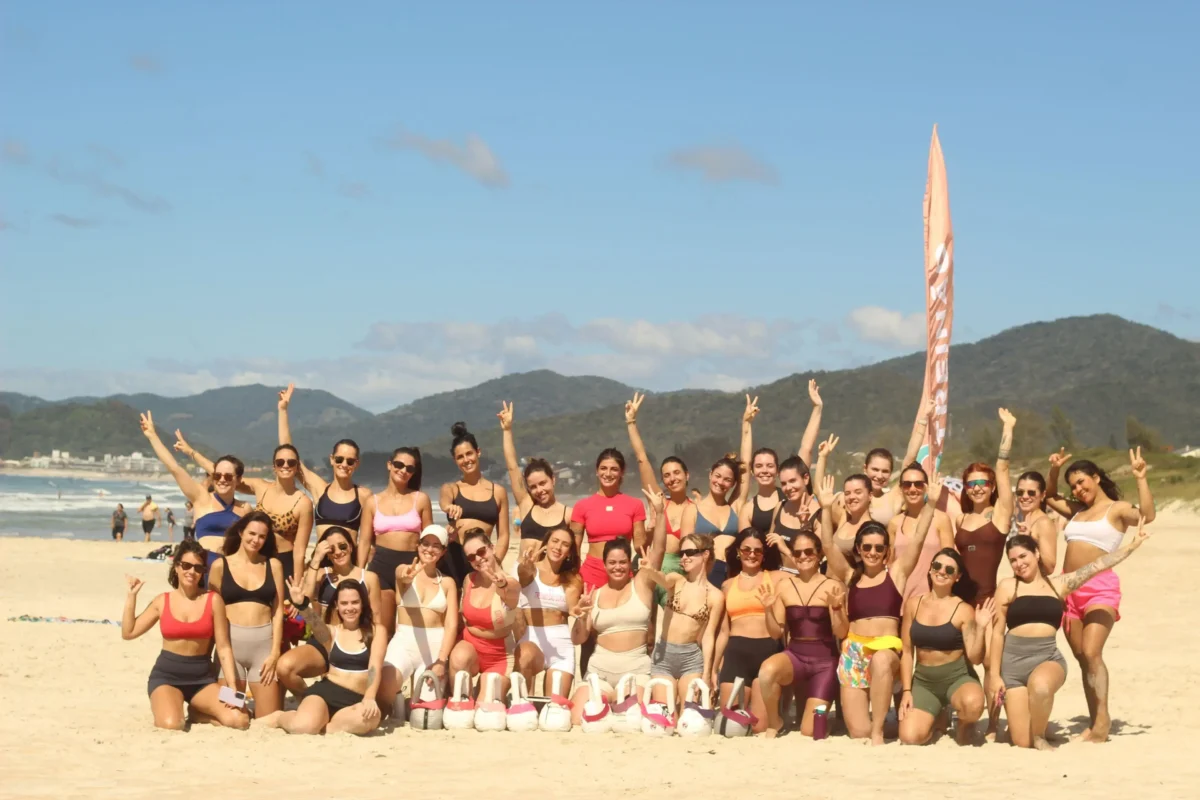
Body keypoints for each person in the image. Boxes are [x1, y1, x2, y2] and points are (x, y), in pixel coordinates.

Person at [990, 522, 1153, 749]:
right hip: (1013, 664)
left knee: (1041, 687)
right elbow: (997, 633)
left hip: (1046, 658)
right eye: (1013, 560)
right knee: (1021, 742)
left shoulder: (1060, 584)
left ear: (1037, 553)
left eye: (1023, 556)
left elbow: (1097, 566)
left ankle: (1040, 737)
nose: (1019, 563)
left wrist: (1132, 546)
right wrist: (995, 675)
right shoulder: (1007, 587)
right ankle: (1033, 727)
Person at [816, 472, 940, 745]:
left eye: (879, 548)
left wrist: (931, 503)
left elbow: (918, 539)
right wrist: (825, 508)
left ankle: (879, 733)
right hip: (854, 650)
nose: (872, 552)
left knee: (882, 660)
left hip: (887, 650)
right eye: (867, 547)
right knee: (857, 731)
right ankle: (892, 727)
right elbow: (827, 545)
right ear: (858, 550)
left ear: (886, 551)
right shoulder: (851, 577)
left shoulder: (896, 574)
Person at [1043, 447, 1156, 743]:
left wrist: (1141, 478)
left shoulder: (1116, 509)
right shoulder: (1077, 511)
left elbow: (1146, 516)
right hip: (1069, 591)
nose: (1078, 490)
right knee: (1083, 659)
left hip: (1100, 588)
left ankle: (1102, 723)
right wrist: (1054, 470)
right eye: (1073, 486)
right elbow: (1049, 497)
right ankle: (1094, 721)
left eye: (1081, 482)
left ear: (1096, 477)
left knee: (1093, 652)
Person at [121, 540, 249, 730]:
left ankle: (198, 713)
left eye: (198, 568)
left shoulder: (213, 600)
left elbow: (223, 647)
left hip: (203, 681)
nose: (191, 572)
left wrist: (232, 686)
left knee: (240, 720)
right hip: (166, 678)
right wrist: (132, 596)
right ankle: (182, 708)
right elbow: (128, 632)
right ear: (176, 567)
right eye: (186, 565)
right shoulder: (162, 601)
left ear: (203, 572)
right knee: (172, 725)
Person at [175, 432, 314, 585]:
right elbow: (226, 475)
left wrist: (297, 584)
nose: (285, 466)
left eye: (291, 462)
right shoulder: (261, 487)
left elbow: (299, 551)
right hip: (258, 560)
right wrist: (191, 452)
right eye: (280, 462)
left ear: (297, 466)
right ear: (274, 466)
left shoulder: (303, 503)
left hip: (283, 561)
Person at [263, 578, 386, 735]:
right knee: (303, 727)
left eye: (355, 602)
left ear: (362, 604)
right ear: (337, 605)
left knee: (371, 718)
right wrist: (301, 605)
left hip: (355, 700)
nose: (350, 608)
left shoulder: (377, 631)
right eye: (344, 603)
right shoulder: (332, 633)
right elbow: (315, 624)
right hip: (325, 694)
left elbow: (374, 667)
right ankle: (280, 717)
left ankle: (324, 725)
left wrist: (369, 697)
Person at [756, 530, 849, 737]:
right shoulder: (784, 586)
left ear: (819, 554)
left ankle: (829, 719)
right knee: (767, 671)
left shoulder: (832, 585)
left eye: (808, 552)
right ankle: (775, 722)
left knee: (810, 730)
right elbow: (776, 633)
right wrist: (768, 610)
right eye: (797, 553)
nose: (803, 557)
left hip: (825, 662)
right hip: (795, 656)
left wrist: (836, 609)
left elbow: (842, 632)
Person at [898, 548, 991, 745]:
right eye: (937, 566)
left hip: (957, 678)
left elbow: (975, 658)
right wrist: (906, 691)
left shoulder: (963, 610)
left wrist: (981, 628)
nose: (942, 571)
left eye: (949, 570)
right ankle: (938, 717)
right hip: (924, 682)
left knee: (973, 706)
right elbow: (906, 652)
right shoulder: (913, 605)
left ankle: (963, 726)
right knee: (910, 737)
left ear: (957, 577)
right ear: (930, 569)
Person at [276, 527, 382, 698]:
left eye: (342, 546)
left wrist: (372, 650)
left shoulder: (369, 578)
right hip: (324, 639)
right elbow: (305, 597)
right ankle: (308, 699)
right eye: (331, 549)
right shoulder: (321, 575)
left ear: (351, 546)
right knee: (284, 668)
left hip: (355, 642)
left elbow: (376, 619)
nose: (338, 552)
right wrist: (316, 558)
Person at [138, 411, 250, 567]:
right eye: (217, 475)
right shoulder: (201, 498)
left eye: (228, 476)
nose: (222, 480)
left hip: (234, 572)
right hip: (204, 570)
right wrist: (152, 436)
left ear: (238, 480)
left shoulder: (244, 508)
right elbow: (175, 468)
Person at [568, 538, 661, 724]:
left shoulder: (641, 585)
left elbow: (659, 549)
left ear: (629, 564)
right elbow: (578, 639)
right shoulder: (594, 595)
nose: (617, 567)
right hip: (599, 671)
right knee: (577, 718)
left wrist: (658, 519)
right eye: (612, 562)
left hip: (634, 672)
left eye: (622, 562)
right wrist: (582, 616)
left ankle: (611, 706)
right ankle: (605, 704)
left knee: (630, 720)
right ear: (604, 565)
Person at [206, 511, 286, 718]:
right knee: (233, 714)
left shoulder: (274, 566)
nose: (256, 540)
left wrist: (275, 653)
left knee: (268, 718)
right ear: (241, 532)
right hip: (230, 651)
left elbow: (278, 611)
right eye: (252, 533)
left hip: (263, 650)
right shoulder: (220, 566)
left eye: (262, 536)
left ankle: (252, 710)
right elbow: (212, 611)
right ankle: (243, 710)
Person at [640, 521, 725, 715]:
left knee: (689, 717)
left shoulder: (716, 596)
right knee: (666, 716)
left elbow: (708, 636)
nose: (684, 557)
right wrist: (650, 570)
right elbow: (662, 579)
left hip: (691, 659)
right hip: (664, 655)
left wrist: (707, 673)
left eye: (690, 552)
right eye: (682, 553)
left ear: (705, 554)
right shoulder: (676, 580)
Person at [817, 396, 934, 528]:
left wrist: (924, 419)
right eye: (875, 469)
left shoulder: (894, 497)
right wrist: (822, 457)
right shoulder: (848, 498)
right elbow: (820, 492)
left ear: (891, 474)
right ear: (865, 469)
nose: (879, 476)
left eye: (885, 471)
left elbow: (910, 457)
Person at [278, 383, 372, 546]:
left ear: (357, 464)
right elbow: (289, 454)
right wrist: (283, 411)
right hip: (321, 561)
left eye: (350, 461)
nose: (344, 464)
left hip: (349, 561)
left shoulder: (364, 496)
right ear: (331, 459)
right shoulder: (320, 489)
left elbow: (372, 538)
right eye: (339, 459)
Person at [714, 527, 788, 733]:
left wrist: (784, 548)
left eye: (758, 550)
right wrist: (713, 668)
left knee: (759, 727)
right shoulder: (727, 585)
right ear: (738, 552)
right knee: (731, 724)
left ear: (764, 554)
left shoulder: (777, 578)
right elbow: (723, 632)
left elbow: (805, 573)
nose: (752, 554)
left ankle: (774, 714)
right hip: (736, 654)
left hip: (767, 652)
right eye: (747, 550)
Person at [379, 524, 459, 710]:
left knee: (425, 711)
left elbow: (451, 624)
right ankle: (398, 695)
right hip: (404, 642)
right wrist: (406, 577)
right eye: (426, 543)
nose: (429, 549)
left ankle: (416, 698)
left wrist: (441, 661)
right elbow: (402, 576)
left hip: (434, 647)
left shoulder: (447, 583)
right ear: (418, 545)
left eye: (436, 546)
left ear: (443, 551)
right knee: (385, 688)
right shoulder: (404, 569)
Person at [360, 446, 434, 636]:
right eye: (399, 465)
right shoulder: (372, 501)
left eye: (410, 468)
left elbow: (430, 539)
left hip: (412, 566)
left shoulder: (421, 499)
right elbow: (365, 542)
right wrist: (359, 574)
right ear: (389, 465)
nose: (403, 470)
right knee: (382, 629)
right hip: (380, 568)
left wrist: (429, 569)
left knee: (410, 629)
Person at [625, 392, 697, 583]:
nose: (672, 478)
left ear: (687, 475)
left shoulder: (696, 509)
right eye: (667, 475)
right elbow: (642, 459)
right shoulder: (659, 502)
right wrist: (631, 422)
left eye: (677, 473)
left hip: (678, 576)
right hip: (650, 570)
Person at [739, 379, 825, 534]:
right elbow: (745, 462)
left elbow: (806, 447)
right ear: (752, 471)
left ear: (778, 471)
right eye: (758, 466)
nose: (764, 470)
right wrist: (746, 424)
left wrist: (817, 408)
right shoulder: (748, 508)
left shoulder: (791, 493)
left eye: (770, 466)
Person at [447, 528, 521, 697]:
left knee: (486, 706)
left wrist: (501, 584)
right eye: (471, 557)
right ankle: (462, 699)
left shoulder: (510, 583)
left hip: (499, 655)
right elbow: (460, 616)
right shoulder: (469, 579)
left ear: (492, 548)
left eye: (481, 552)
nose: (478, 559)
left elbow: (511, 590)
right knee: (458, 660)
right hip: (470, 646)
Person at [514, 524, 584, 698]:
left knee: (556, 707)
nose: (558, 547)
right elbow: (523, 576)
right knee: (524, 703)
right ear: (546, 544)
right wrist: (526, 567)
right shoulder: (530, 569)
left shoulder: (573, 578)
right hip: (531, 639)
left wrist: (579, 610)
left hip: (561, 643)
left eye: (565, 545)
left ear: (569, 553)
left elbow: (573, 609)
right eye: (555, 541)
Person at [499, 401, 575, 562]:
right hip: (522, 574)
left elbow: (573, 553)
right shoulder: (526, 504)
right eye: (533, 487)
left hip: (550, 576)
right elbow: (512, 467)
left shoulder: (568, 515)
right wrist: (507, 430)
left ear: (553, 480)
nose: (539, 490)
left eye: (543, 483)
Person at [440, 422, 510, 586]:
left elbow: (504, 535)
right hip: (454, 558)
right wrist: (449, 507)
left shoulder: (498, 492)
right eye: (460, 457)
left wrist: (495, 562)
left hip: (482, 557)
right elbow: (444, 502)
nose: (466, 460)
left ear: (478, 452)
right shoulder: (451, 488)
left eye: (469, 454)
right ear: (455, 460)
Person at [569, 448, 648, 590]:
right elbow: (574, 549)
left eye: (614, 469)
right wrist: (574, 577)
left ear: (622, 472)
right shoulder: (582, 506)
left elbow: (640, 547)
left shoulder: (635, 505)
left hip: (621, 572)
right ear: (597, 471)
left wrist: (653, 529)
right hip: (591, 573)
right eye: (603, 468)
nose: (608, 474)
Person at [888, 462, 955, 599]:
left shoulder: (941, 519)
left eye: (918, 484)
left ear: (926, 488)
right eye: (907, 484)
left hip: (931, 599)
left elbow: (949, 562)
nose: (913, 489)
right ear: (901, 489)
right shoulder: (894, 523)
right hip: (900, 597)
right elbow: (890, 564)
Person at [813, 435, 873, 559]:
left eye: (858, 492)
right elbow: (819, 492)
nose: (852, 497)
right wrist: (822, 457)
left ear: (870, 495)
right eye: (847, 493)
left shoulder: (873, 529)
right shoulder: (843, 518)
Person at [766, 455, 823, 564]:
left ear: (806, 478)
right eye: (783, 483)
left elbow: (814, 560)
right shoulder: (780, 506)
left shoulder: (819, 514)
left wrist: (784, 548)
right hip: (774, 572)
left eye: (792, 481)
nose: (788, 488)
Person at [1012, 471, 1058, 574]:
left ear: (1042, 495)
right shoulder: (1024, 520)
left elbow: (1049, 568)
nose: (1024, 496)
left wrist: (1030, 540)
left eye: (1031, 493)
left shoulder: (1043, 523)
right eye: (1020, 492)